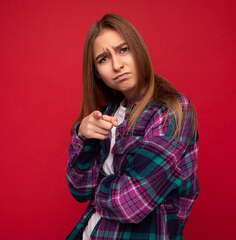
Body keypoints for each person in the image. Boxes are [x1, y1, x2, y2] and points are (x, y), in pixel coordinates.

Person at [66, 13, 199, 240]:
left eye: (123, 50)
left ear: (138, 50)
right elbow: (79, 190)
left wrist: (96, 190)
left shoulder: (173, 110)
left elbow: (130, 204)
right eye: (103, 59)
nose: (117, 65)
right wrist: (82, 136)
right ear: (96, 72)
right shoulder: (106, 114)